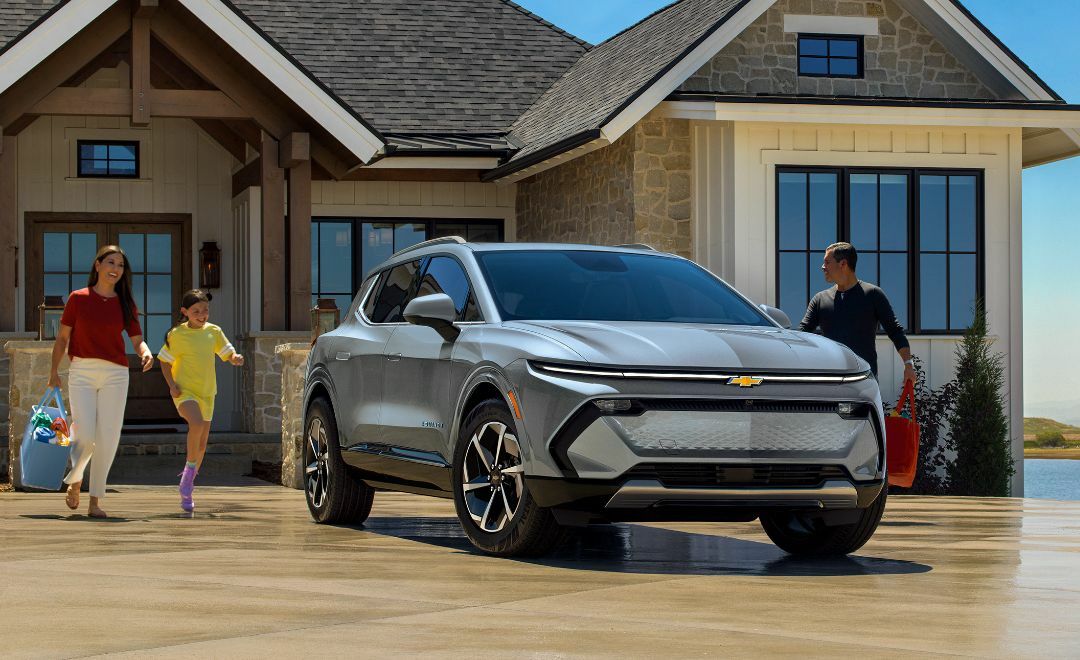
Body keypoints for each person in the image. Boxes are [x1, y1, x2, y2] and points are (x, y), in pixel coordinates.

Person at [48, 246, 154, 519]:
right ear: (97, 265)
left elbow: (136, 338)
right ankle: (75, 479)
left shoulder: (125, 303)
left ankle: (95, 501)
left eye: (120, 264)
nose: (115, 268)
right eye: (110, 262)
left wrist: (144, 351)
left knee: (108, 438)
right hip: (82, 371)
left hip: (116, 375)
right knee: (85, 435)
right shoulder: (78, 299)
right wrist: (53, 372)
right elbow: (62, 339)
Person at [157, 289, 243, 512]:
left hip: (207, 393)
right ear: (185, 312)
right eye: (196, 311)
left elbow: (227, 353)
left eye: (205, 310)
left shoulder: (213, 332)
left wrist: (235, 358)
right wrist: (171, 386)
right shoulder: (177, 335)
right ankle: (186, 478)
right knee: (195, 424)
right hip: (185, 393)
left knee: (203, 443)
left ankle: (188, 483)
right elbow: (165, 362)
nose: (202, 314)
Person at [798, 242, 916, 386]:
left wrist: (908, 365)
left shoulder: (873, 294)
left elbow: (895, 331)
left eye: (827, 262)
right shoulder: (819, 299)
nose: (823, 267)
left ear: (843, 264)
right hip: (831, 381)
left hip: (864, 382)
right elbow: (802, 335)